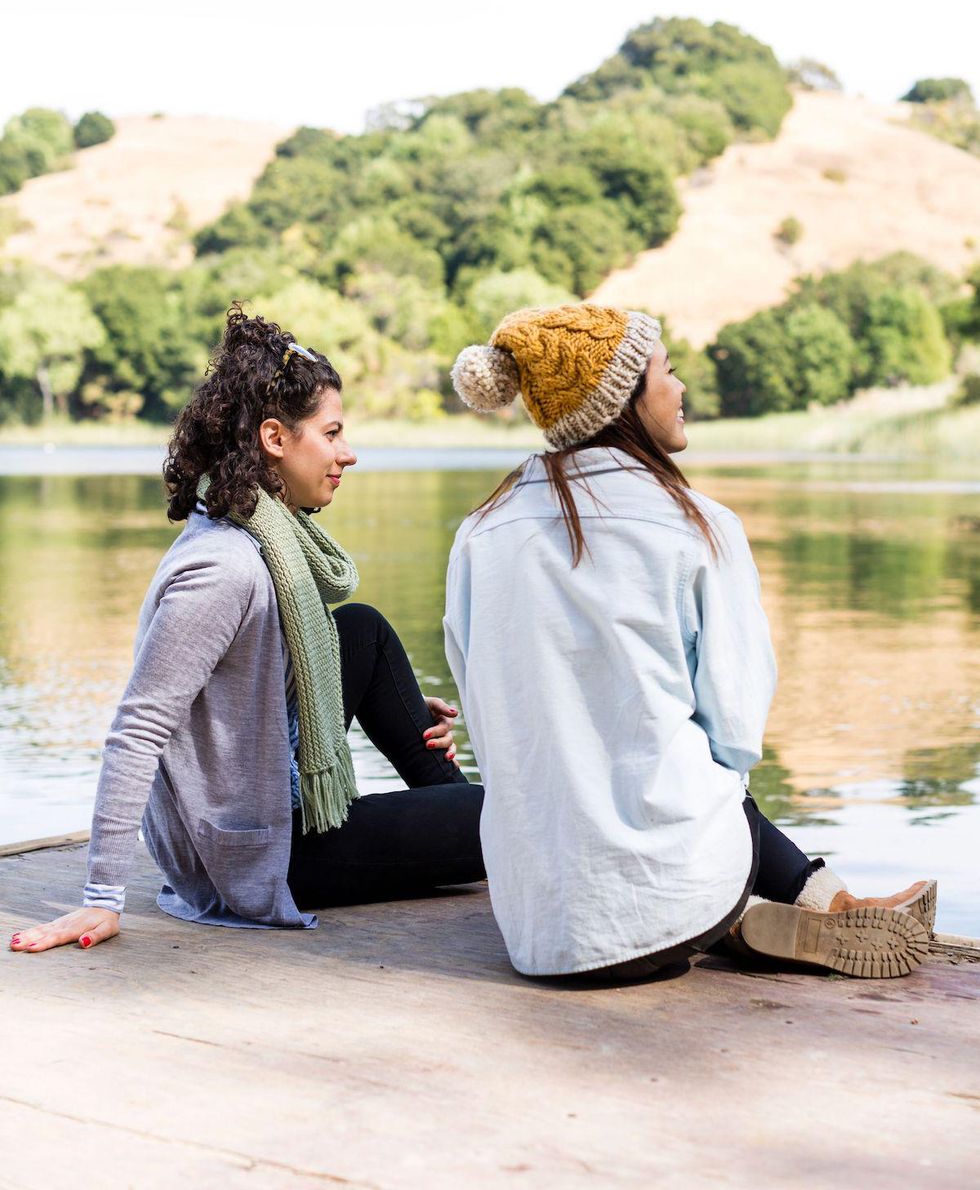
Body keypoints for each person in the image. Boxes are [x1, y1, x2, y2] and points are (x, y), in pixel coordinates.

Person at [444, 303, 935, 982]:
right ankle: (794, 904)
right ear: (623, 400)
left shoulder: (479, 533)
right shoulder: (698, 525)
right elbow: (736, 734)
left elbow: (482, 705)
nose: (680, 388)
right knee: (705, 770)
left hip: (538, 928)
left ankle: (762, 911)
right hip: (675, 887)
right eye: (667, 371)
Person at [9, 307, 484, 954]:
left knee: (361, 630)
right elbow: (137, 728)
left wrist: (397, 708)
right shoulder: (222, 568)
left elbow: (262, 680)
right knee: (503, 814)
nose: (348, 454)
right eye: (332, 433)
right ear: (275, 438)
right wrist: (101, 897)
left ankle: (462, 820)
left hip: (268, 794)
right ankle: (480, 833)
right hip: (257, 854)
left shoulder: (257, 532)